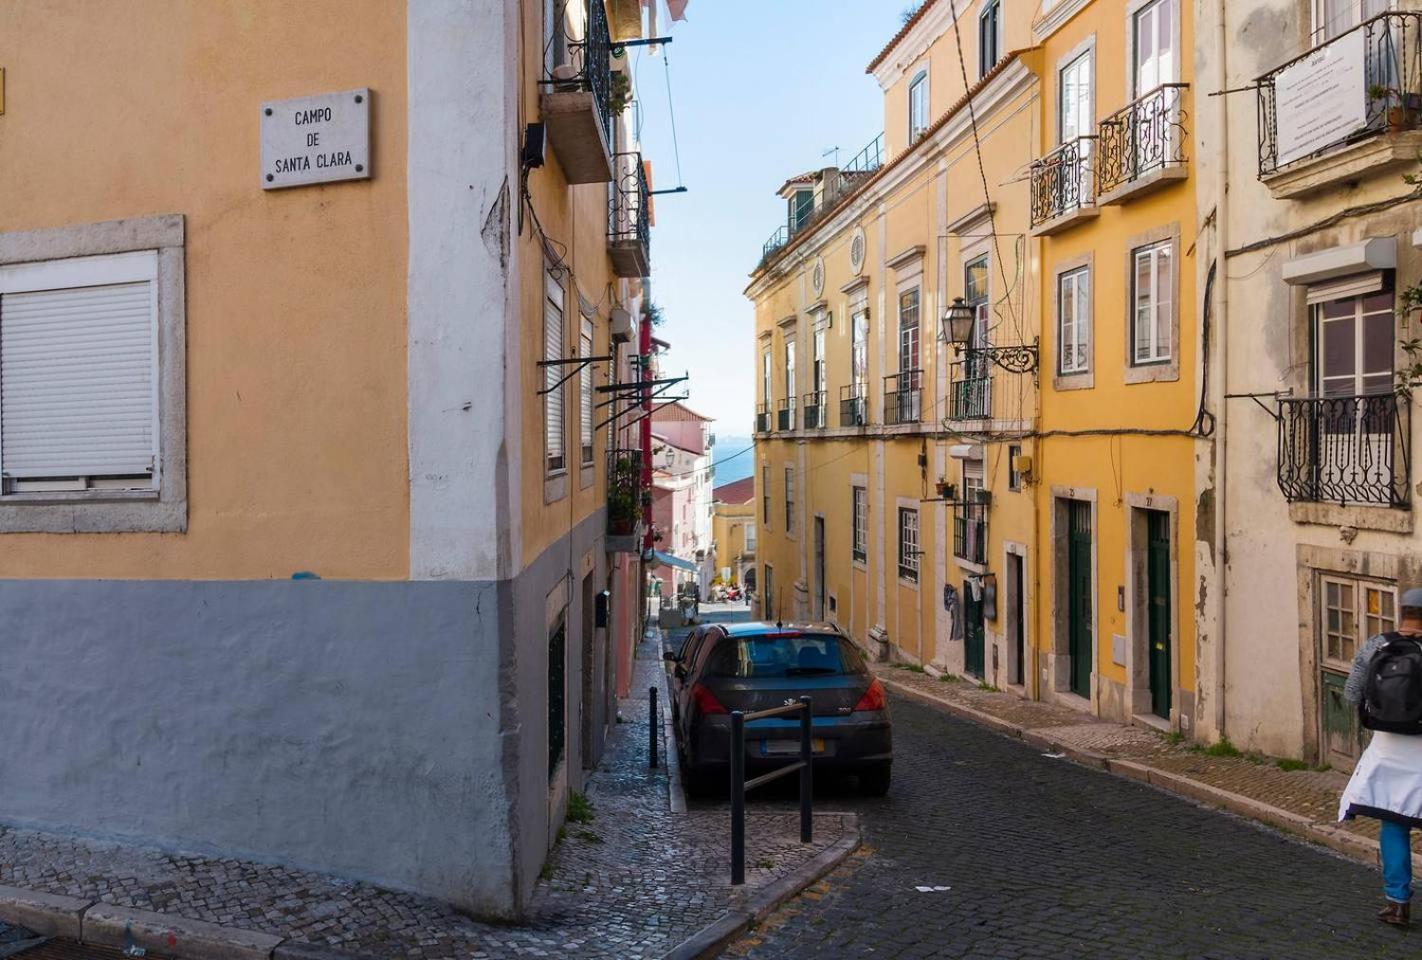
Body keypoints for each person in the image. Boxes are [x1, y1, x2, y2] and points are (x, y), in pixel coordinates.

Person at [1340, 587, 1422, 927]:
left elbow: (1351, 694)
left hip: (1389, 749)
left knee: (1394, 822)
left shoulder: (1376, 646)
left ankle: (1397, 903)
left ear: (1401, 612)